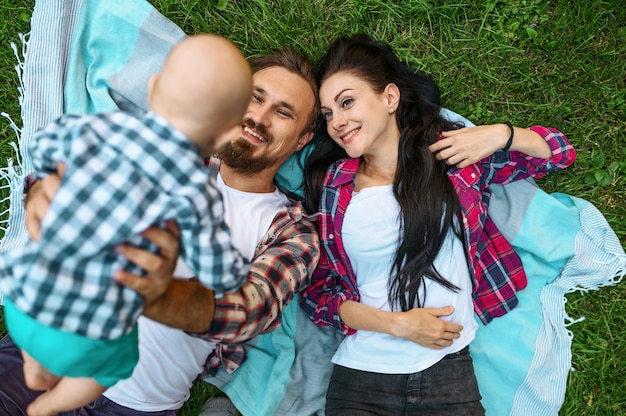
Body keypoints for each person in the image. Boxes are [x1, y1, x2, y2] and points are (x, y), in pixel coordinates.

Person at [0, 47, 321, 416]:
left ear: (302, 139)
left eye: (283, 112)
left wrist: (158, 293)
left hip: (136, 406)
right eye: (254, 97)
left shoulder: (293, 231)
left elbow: (250, 310)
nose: (259, 117)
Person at [300, 34, 577, 415]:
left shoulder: (450, 155)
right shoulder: (333, 186)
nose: (338, 122)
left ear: (390, 98)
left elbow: (558, 154)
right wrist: (398, 325)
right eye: (329, 114)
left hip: (449, 376)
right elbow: (319, 296)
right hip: (360, 378)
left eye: (347, 102)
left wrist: (498, 134)